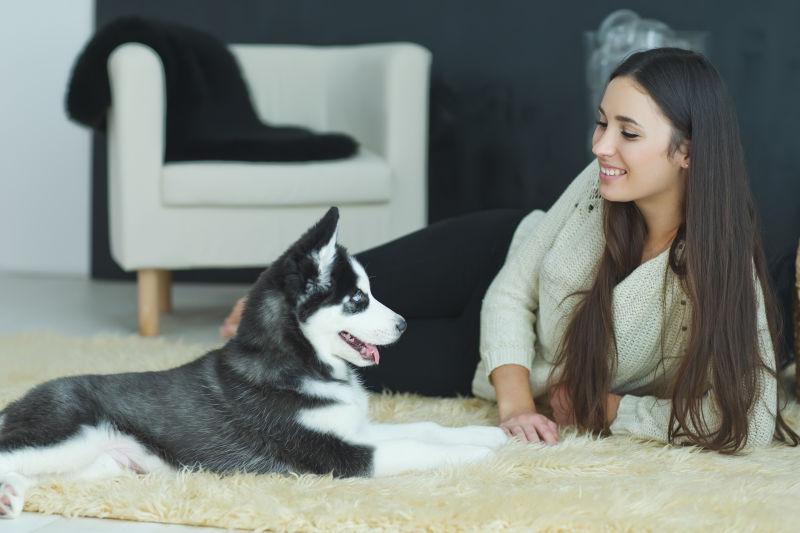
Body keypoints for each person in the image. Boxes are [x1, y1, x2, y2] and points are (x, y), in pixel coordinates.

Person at [220, 47, 799, 453]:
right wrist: (517, 405)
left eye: (627, 132)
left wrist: (620, 412)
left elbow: (748, 418)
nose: (601, 146)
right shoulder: (599, 186)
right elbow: (513, 289)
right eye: (601, 123)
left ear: (688, 153)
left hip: (480, 354)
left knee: (303, 354)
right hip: (489, 254)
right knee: (278, 305)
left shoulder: (719, 270)